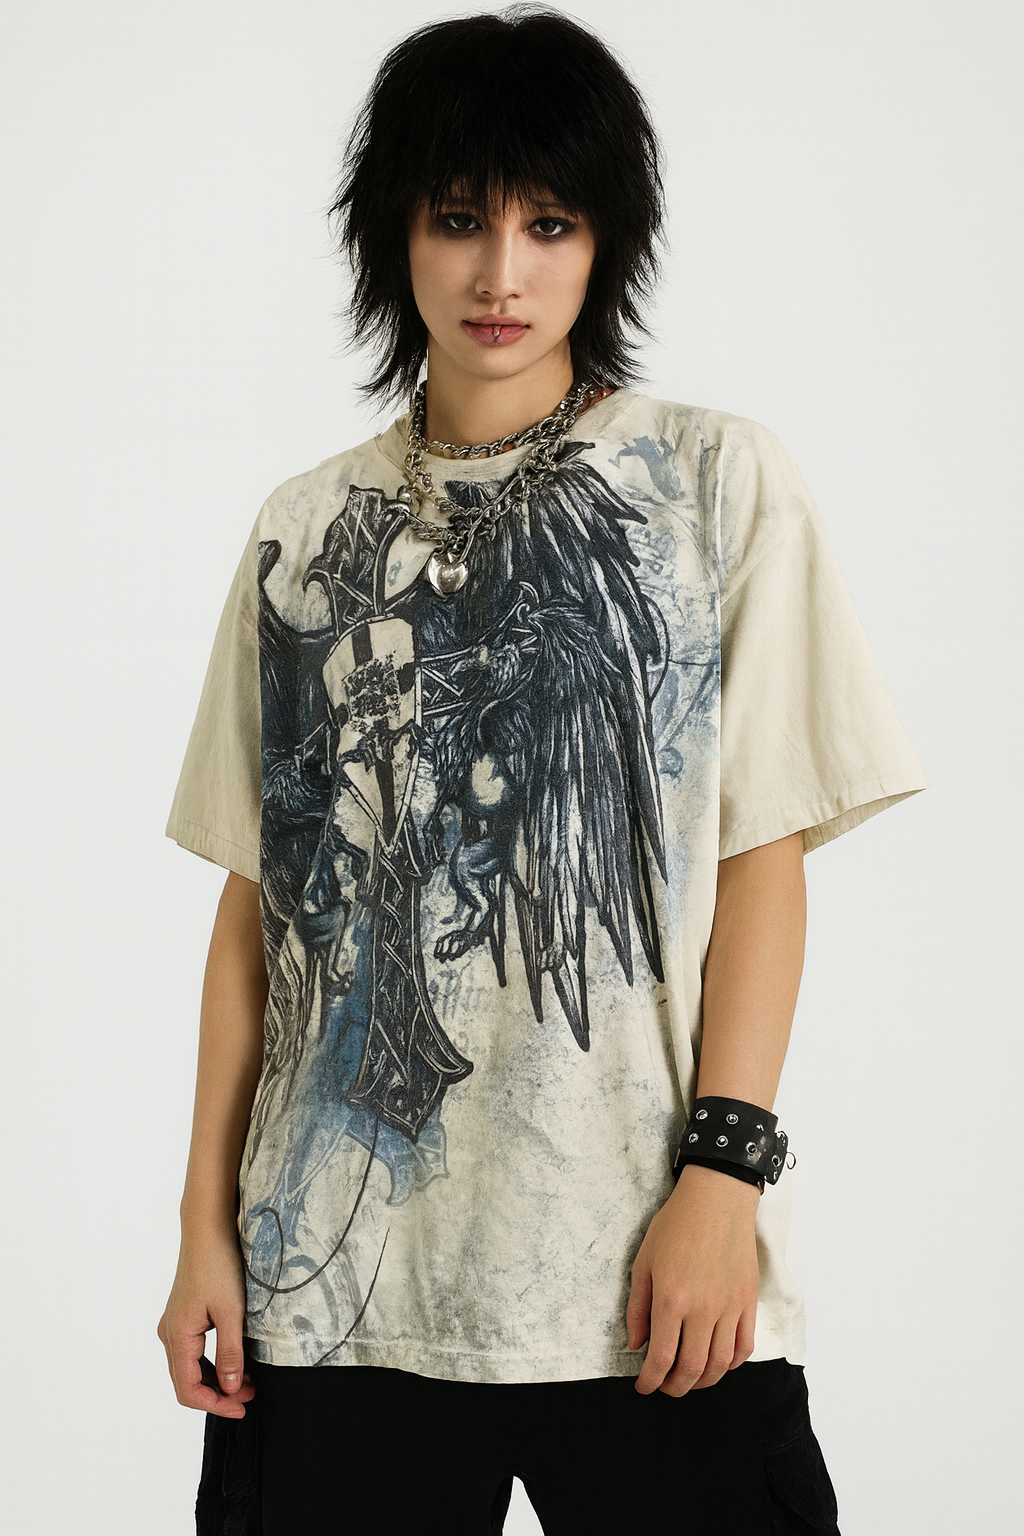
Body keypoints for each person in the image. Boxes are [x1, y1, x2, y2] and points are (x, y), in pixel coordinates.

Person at [157, 8, 927, 1534]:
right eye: (458, 220)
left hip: (645, 1278)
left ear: (605, 241)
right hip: (336, 1293)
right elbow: (260, 908)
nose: (500, 274)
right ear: (395, 235)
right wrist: (202, 1231)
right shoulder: (303, 528)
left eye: (549, 223)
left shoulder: (713, 481)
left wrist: (725, 1179)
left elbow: (761, 854)